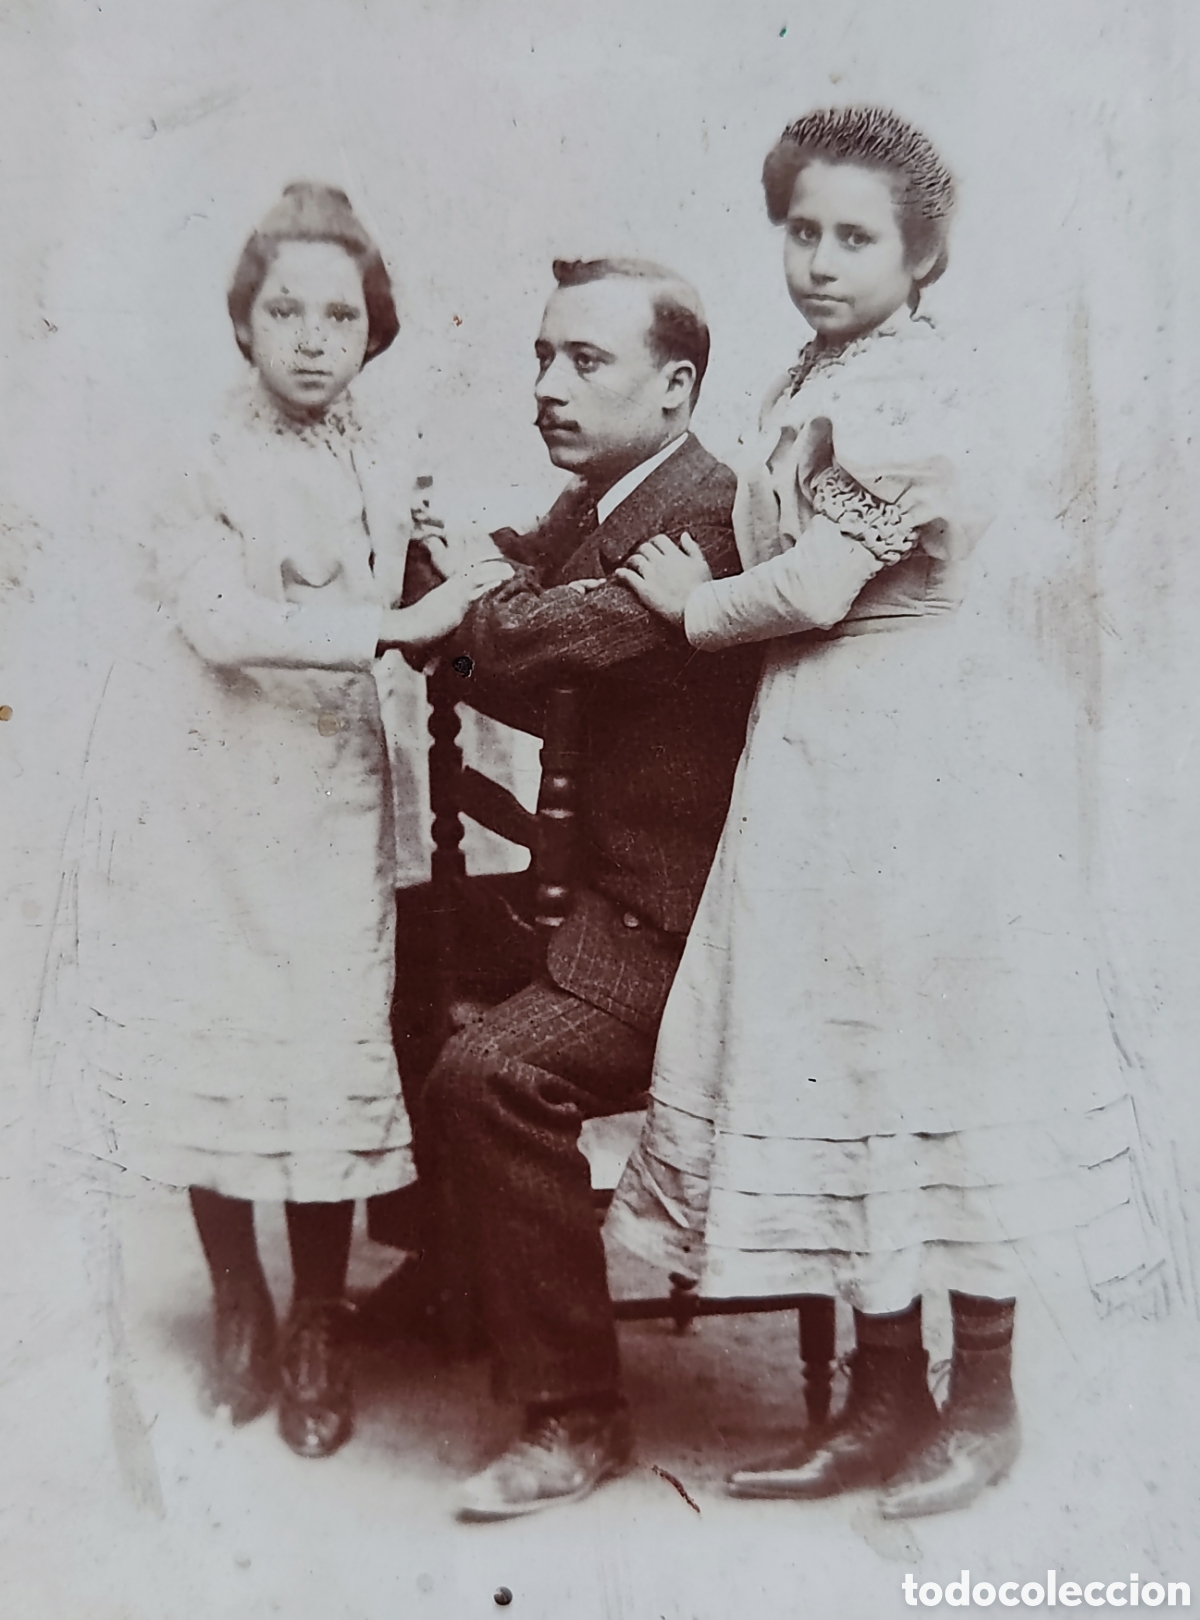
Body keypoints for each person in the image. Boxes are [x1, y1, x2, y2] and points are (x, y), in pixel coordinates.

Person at [608, 107, 1156, 1517]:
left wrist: (694, 609)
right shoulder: (814, 373)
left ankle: (984, 1405)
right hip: (817, 755)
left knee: (941, 1065)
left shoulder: (918, 389)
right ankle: (884, 1399)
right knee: (846, 1059)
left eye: (856, 238)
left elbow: (813, 586)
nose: (820, 260)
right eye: (802, 231)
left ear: (921, 257)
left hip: (924, 763)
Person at [64, 183, 498, 1460]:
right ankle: (238, 1304)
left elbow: (436, 570)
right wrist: (394, 624)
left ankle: (318, 1318)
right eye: (286, 312)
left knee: (324, 1051)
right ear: (244, 323)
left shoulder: (390, 446)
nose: (314, 339)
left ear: (375, 329)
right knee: (223, 1045)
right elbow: (220, 620)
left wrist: (467, 584)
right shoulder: (199, 459)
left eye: (340, 316)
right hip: (213, 790)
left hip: (335, 797)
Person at [401, 258, 762, 1520]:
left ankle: (576, 1414)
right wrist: (471, 581)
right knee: (397, 945)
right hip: (600, 898)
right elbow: (501, 624)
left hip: (674, 934)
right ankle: (452, 1272)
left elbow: (506, 637)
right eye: (542, 357)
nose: (549, 386)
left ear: (676, 387)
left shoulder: (699, 523)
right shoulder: (604, 496)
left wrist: (467, 587)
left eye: (585, 361)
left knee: (493, 1075)